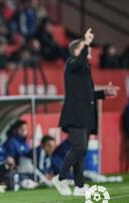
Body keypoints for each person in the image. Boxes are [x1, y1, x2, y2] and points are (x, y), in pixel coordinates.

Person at [53, 28, 119, 196]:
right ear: (77, 51)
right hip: (74, 115)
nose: (88, 50)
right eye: (84, 47)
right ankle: (59, 178)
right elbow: (78, 61)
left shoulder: (83, 68)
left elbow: (87, 93)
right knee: (79, 148)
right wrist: (86, 41)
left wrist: (104, 93)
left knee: (81, 152)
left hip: (85, 116)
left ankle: (79, 186)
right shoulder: (72, 63)